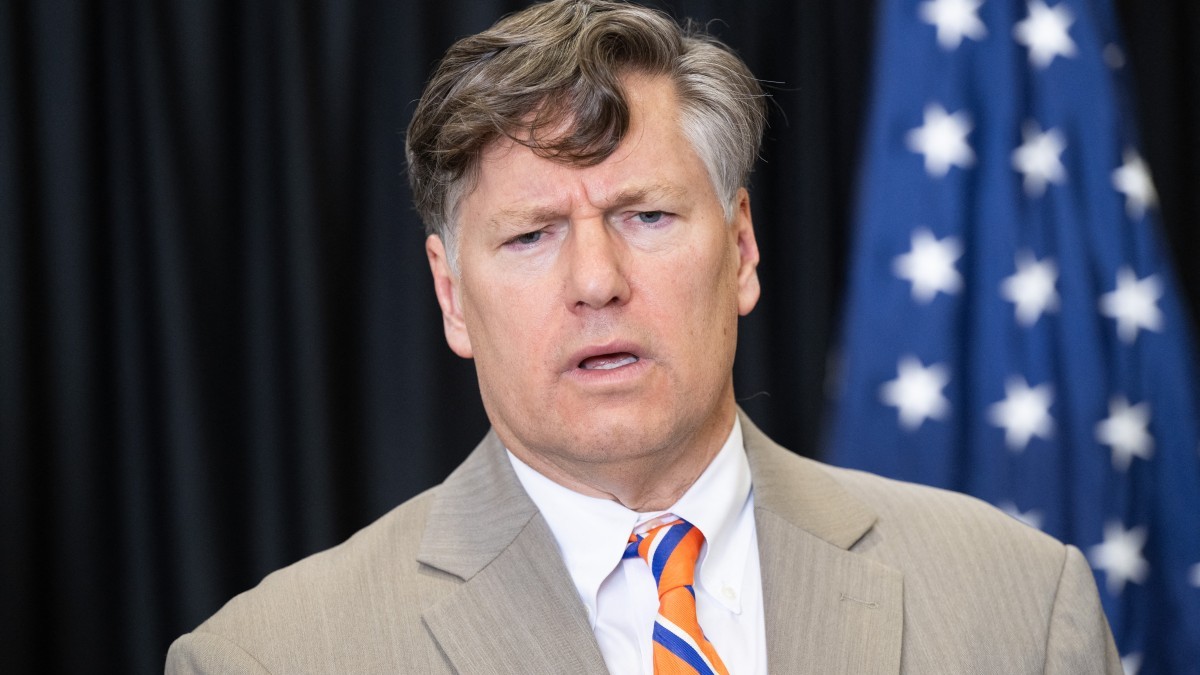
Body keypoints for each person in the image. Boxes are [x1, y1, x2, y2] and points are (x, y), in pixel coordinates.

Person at [166, 1, 1121, 672]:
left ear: (741, 249)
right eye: (532, 235)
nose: (595, 281)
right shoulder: (273, 656)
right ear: (452, 296)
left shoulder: (1020, 605)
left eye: (645, 216)